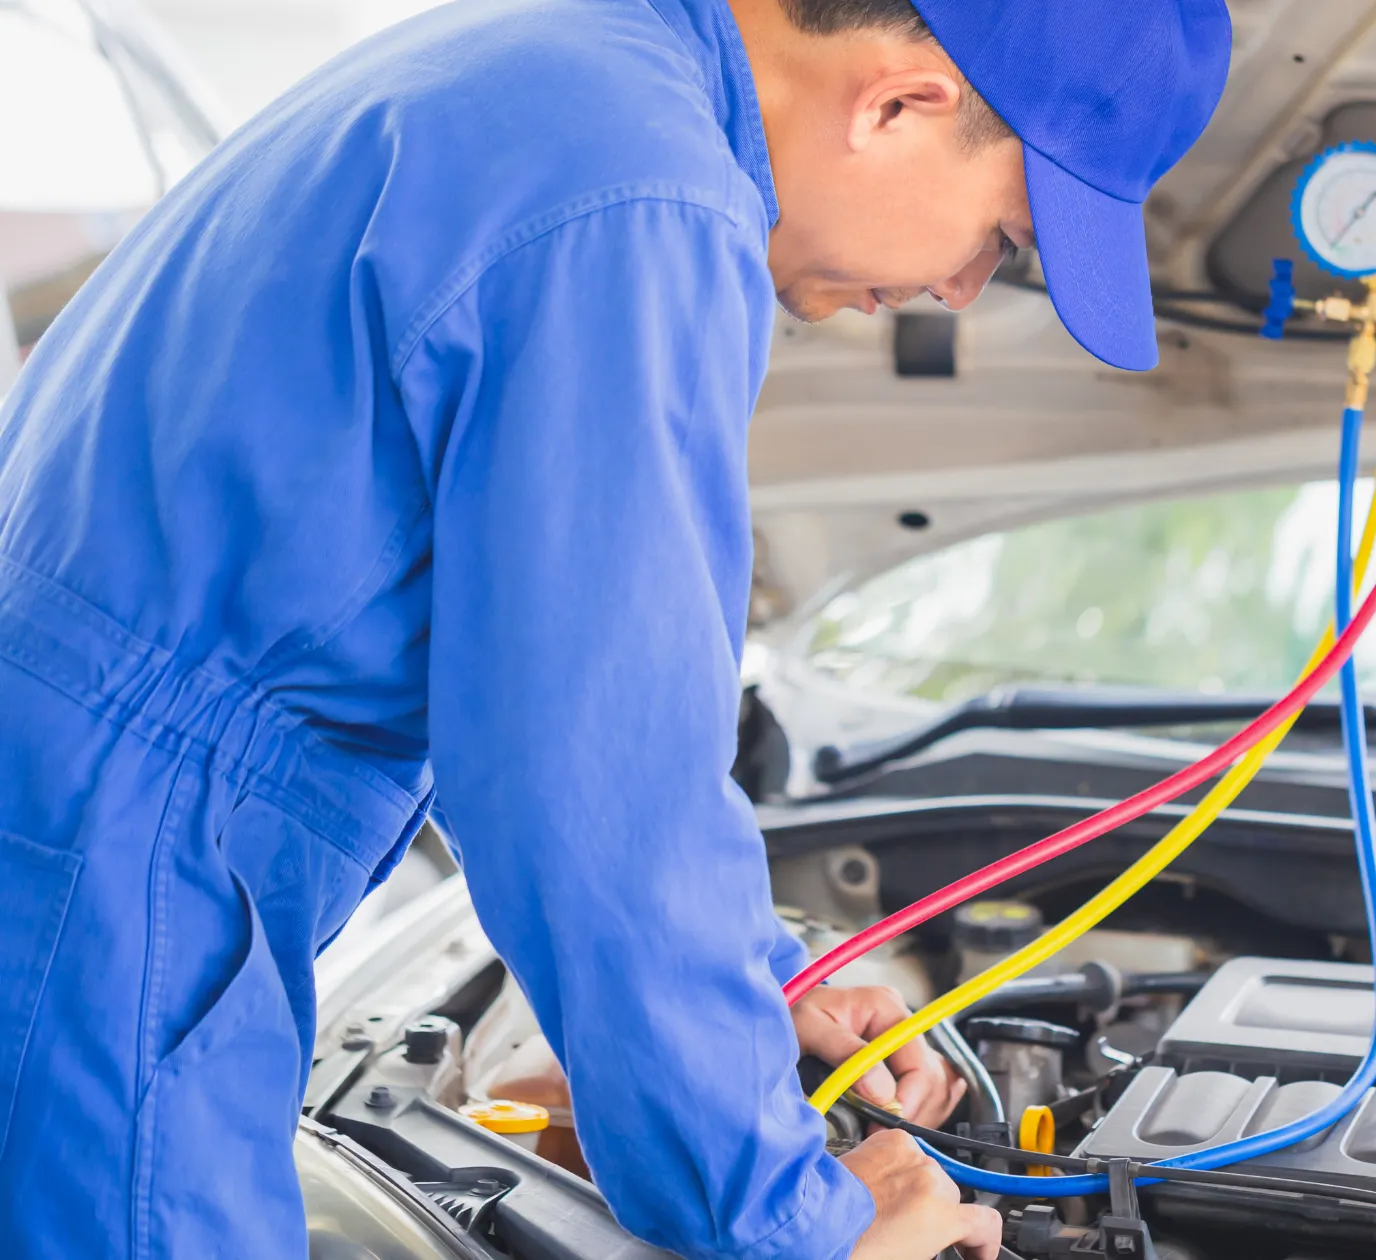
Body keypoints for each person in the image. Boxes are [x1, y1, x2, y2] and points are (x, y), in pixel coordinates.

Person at [0, 0, 1229, 1254]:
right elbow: (592, 779)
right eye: (1003, 238)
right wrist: (800, 1223)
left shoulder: (564, 74)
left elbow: (559, 718)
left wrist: (754, 993)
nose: (957, 288)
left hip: (71, 840)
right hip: (114, 907)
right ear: (898, 104)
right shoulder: (644, 209)